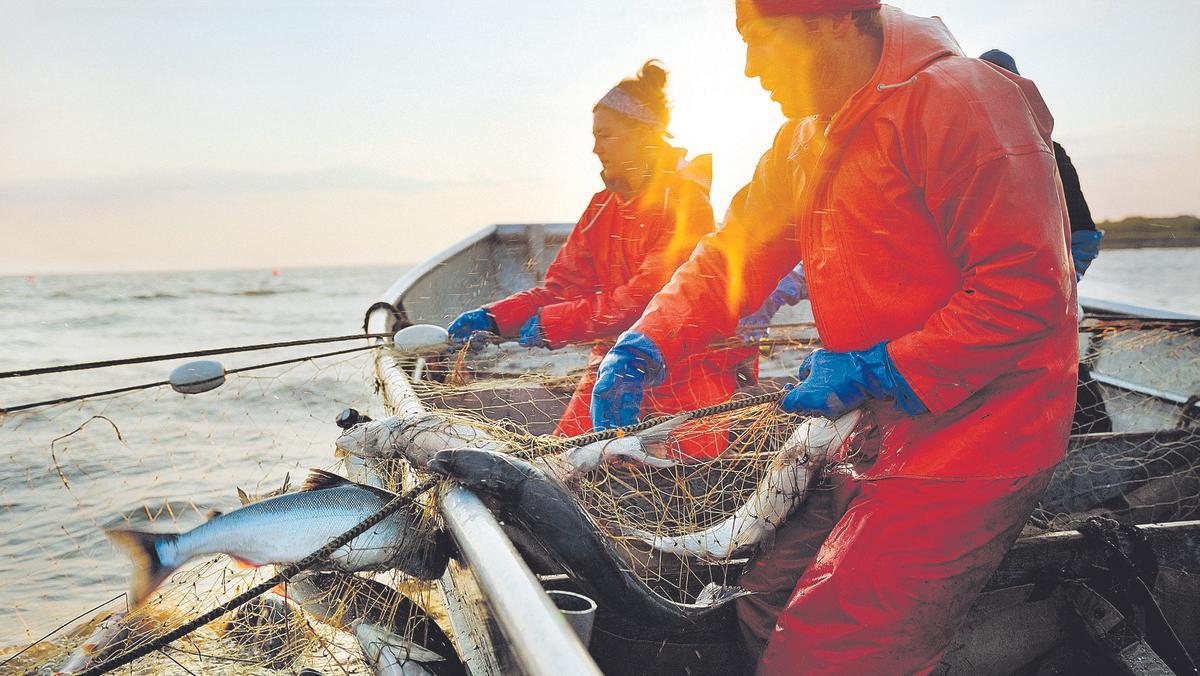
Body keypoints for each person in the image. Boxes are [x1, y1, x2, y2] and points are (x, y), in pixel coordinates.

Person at [589, 2, 1078, 673]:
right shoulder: (802, 137)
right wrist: (645, 342)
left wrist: (877, 368)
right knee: (760, 602)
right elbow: (733, 252)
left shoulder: (962, 100)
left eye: (760, 42)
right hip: (866, 427)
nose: (751, 67)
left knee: (830, 651)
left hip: (977, 438)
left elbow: (1026, 289)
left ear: (832, 20)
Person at [447, 60, 747, 458]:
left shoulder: (685, 203)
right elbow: (562, 287)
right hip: (610, 362)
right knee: (564, 461)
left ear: (643, 135)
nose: (594, 148)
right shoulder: (602, 205)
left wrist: (554, 323)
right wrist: (495, 317)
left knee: (680, 482)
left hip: (687, 367)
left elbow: (644, 301)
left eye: (605, 135)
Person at [980, 48, 1111, 435]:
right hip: (984, 303)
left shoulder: (1052, 152)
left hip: (1044, 301)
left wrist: (1057, 284)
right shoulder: (958, 149)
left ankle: (1097, 450)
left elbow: (1084, 234)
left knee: (1075, 394)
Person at [979, 49, 1104, 281]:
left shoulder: (1054, 154)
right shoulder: (962, 156)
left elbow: (1084, 234)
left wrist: (1065, 282)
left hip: (1042, 288)